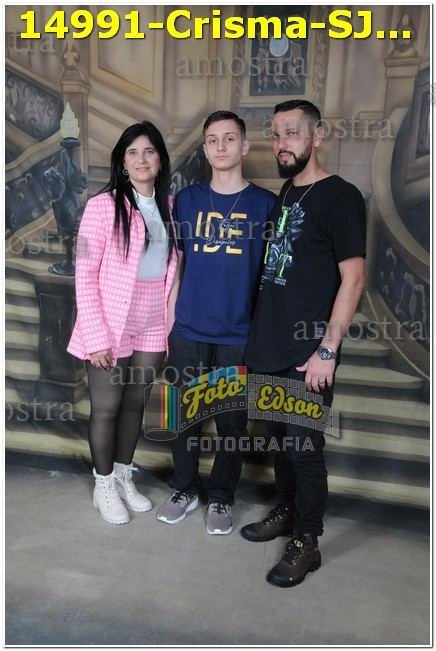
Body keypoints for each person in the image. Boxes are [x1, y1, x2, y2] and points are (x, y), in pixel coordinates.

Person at [243, 99, 366, 586]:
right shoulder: (288, 191)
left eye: (292, 133)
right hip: (270, 345)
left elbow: (353, 280)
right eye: (276, 134)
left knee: (303, 448)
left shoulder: (341, 197)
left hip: (308, 353)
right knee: (279, 441)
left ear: (317, 136)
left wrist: (326, 352)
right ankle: (288, 511)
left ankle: (307, 541)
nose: (281, 143)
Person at [156, 110, 276, 535]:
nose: (220, 146)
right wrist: (170, 322)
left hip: (237, 333)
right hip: (189, 328)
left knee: (231, 423)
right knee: (183, 417)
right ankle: (184, 488)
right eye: (212, 140)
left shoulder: (266, 205)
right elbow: (178, 264)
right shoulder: (187, 200)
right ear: (205, 149)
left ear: (245, 146)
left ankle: (222, 496)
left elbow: (271, 276)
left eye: (229, 138)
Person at [68, 121, 179, 525]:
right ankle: (103, 486)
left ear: (160, 159)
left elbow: (172, 270)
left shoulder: (170, 207)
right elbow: (84, 274)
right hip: (110, 321)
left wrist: (169, 322)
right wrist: (96, 336)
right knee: (107, 407)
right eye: (132, 152)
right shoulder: (102, 206)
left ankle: (122, 476)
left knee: (135, 404)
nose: (141, 159)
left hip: (152, 319)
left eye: (149, 151)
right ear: (122, 162)